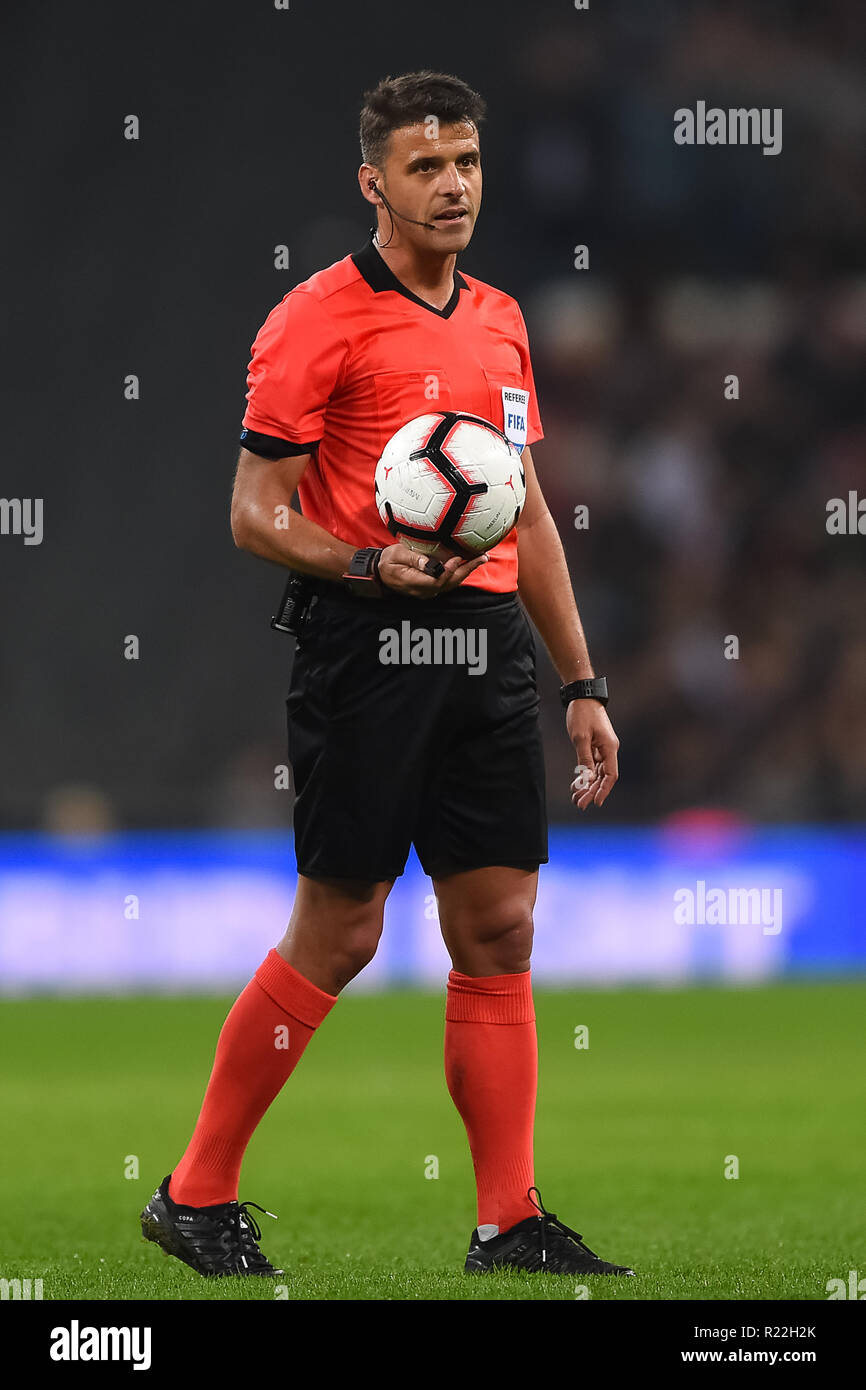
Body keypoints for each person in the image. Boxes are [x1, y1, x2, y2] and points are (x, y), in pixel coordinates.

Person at [140, 69, 633, 1281]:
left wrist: (581, 682)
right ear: (374, 184)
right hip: (365, 649)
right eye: (425, 166)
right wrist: (365, 559)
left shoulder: (503, 319)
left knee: (500, 922)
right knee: (344, 927)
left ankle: (505, 1220)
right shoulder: (313, 319)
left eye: (465, 160)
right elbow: (254, 514)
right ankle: (193, 1193)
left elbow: (522, 517)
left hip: (485, 655)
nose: (453, 183)